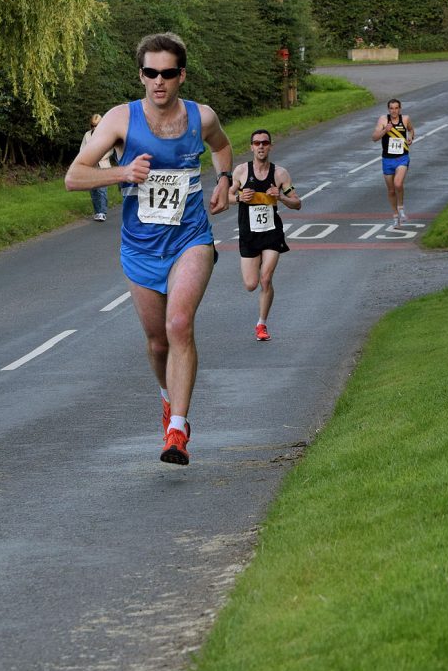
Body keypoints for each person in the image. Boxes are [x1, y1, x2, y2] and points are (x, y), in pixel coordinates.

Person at [65, 31, 233, 466]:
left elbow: (221, 147)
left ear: (182, 75)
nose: (159, 81)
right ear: (140, 75)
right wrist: (123, 173)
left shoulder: (202, 117)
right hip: (140, 247)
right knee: (158, 343)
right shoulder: (121, 120)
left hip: (190, 237)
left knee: (180, 324)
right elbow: (75, 177)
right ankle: (166, 398)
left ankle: (178, 429)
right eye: (150, 73)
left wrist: (226, 180)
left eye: (168, 73)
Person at [231, 130, 301, 341]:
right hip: (248, 234)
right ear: (251, 147)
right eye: (256, 143)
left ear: (270, 146)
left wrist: (280, 196)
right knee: (251, 284)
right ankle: (261, 312)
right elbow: (226, 196)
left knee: (266, 278)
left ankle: (261, 324)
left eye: (265, 143)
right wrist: (239, 197)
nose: (261, 146)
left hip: (272, 233)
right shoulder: (241, 171)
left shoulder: (280, 174)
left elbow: (297, 203)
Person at [372, 98, 415, 227]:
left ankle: (401, 208)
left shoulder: (405, 119)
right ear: (388, 109)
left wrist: (410, 137)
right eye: (392, 108)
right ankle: (396, 216)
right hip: (387, 159)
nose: (394, 111)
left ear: (400, 109)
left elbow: (411, 130)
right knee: (391, 190)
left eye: (396, 108)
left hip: (402, 157)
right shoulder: (383, 120)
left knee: (398, 183)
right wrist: (385, 130)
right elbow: (374, 137)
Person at [78, 113, 114, 220]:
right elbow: (82, 149)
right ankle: (97, 211)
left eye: (96, 125)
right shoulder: (87, 135)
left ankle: (102, 212)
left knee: (101, 189)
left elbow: (110, 151)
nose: (94, 128)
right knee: (93, 190)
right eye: (92, 125)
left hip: (102, 166)